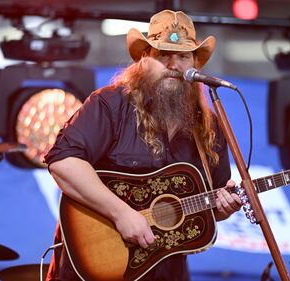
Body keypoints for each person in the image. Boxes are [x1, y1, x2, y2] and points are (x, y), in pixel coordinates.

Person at [44, 9, 242, 281]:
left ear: (195, 64)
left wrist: (223, 208)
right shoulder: (111, 104)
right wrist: (121, 213)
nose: (173, 65)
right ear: (143, 59)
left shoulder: (209, 127)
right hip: (96, 269)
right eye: (163, 55)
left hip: (168, 272)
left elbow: (212, 203)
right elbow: (63, 162)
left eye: (183, 56)